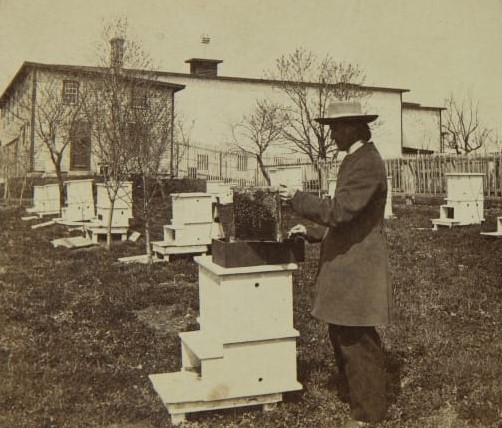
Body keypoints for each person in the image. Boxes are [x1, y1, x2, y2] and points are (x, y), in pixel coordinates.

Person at [279, 101, 392, 427]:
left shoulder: (367, 162)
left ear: (356, 127)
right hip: (348, 260)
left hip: (358, 265)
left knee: (357, 338)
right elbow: (348, 216)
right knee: (342, 332)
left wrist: (298, 198)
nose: (332, 135)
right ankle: (354, 395)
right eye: (331, 127)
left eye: (337, 128)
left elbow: (341, 210)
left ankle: (369, 414)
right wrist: (313, 230)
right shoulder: (355, 159)